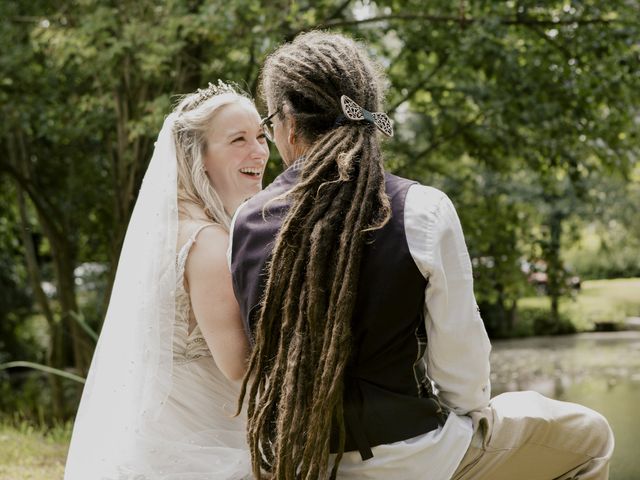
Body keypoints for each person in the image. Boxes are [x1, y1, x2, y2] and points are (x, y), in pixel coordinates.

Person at [228, 32, 615, 480]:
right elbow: (462, 371)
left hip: (300, 464)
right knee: (591, 438)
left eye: (270, 120)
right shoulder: (421, 209)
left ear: (290, 124)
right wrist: (465, 416)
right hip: (411, 458)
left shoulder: (246, 222)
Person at [64, 81, 269, 480]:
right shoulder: (208, 243)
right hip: (201, 448)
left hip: (158, 439)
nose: (259, 150)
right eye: (239, 139)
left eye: (262, 136)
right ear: (199, 156)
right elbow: (239, 365)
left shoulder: (168, 231)